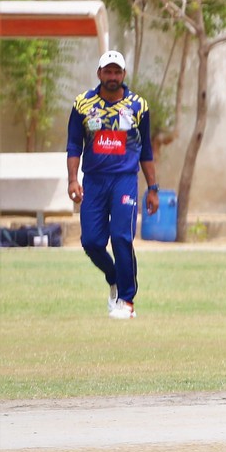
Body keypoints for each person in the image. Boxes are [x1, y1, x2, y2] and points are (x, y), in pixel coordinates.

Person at [65, 50, 158, 320]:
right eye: (108, 71)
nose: (113, 76)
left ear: (124, 74)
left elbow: (146, 150)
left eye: (117, 72)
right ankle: (114, 276)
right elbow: (74, 144)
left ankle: (127, 301)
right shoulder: (83, 104)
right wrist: (73, 179)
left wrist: (153, 189)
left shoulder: (138, 106)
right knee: (91, 242)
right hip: (94, 181)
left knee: (121, 237)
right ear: (99, 73)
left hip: (124, 180)